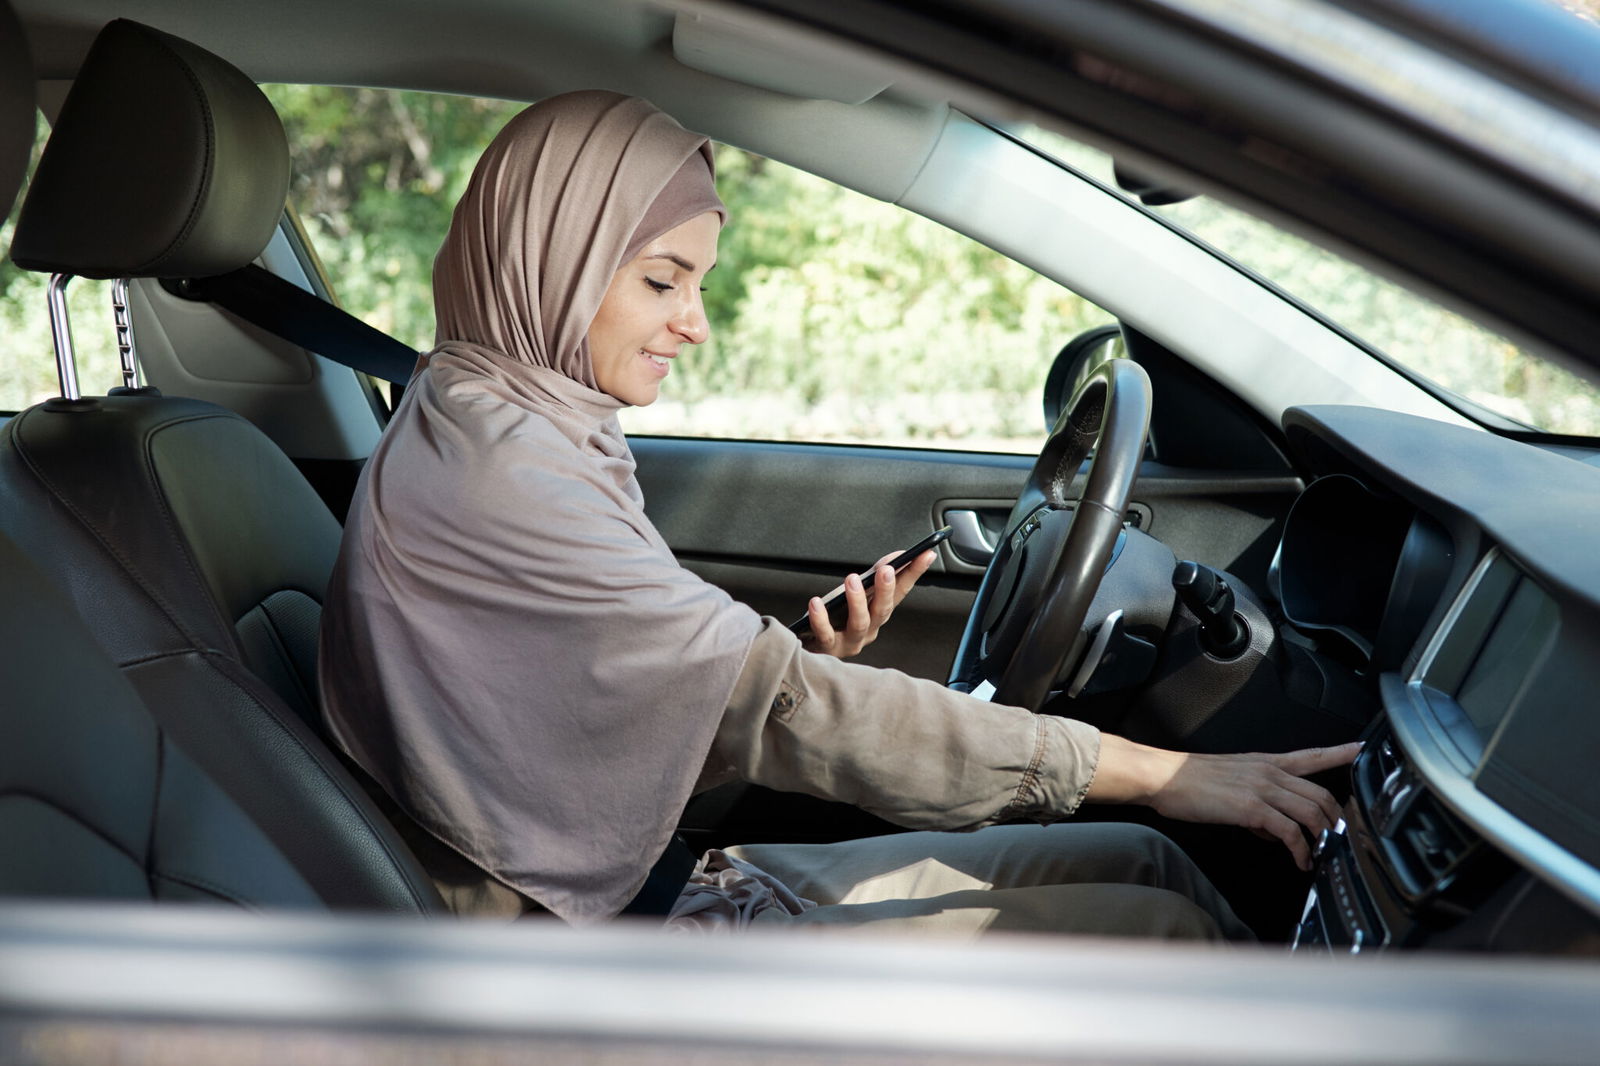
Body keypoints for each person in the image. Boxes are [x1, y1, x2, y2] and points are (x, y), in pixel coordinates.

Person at [318, 90, 1357, 939]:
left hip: (635, 883)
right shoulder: (503, 479)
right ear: (547, 260)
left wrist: (751, 673)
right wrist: (1164, 769)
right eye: (660, 280)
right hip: (589, 946)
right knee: (1156, 933)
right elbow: (800, 711)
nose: (695, 322)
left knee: (1145, 863)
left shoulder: (513, 417)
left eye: (699, 282)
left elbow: (575, 709)